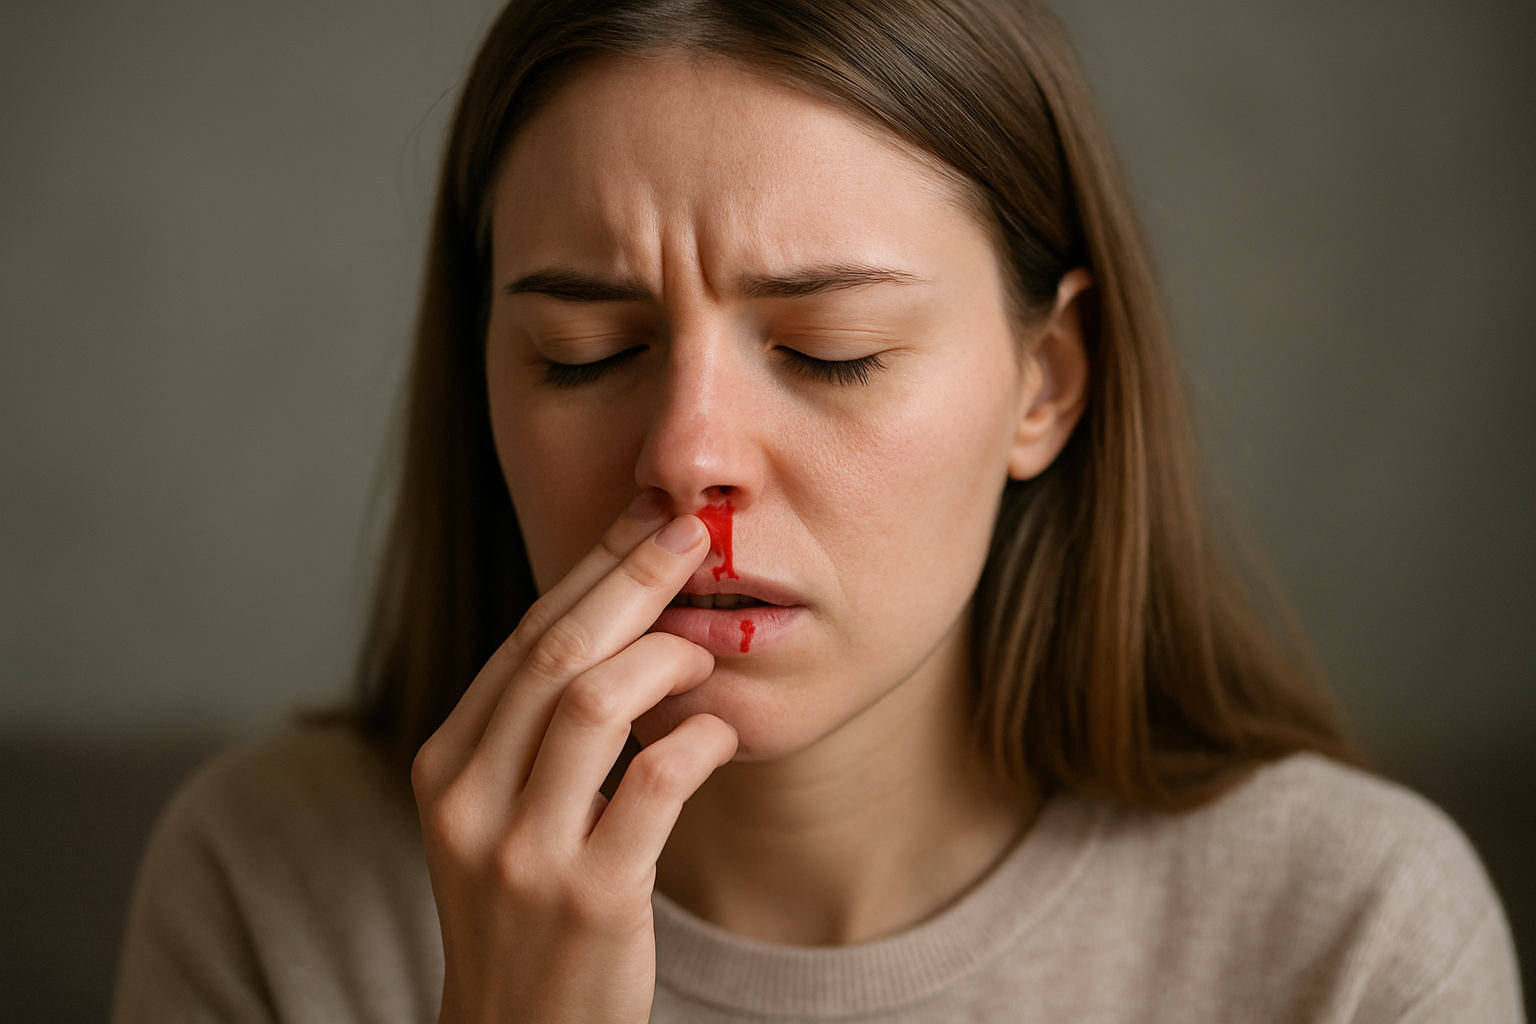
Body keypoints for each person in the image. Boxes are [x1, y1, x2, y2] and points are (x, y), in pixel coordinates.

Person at [112, 0, 1524, 1021]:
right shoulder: (267, 891)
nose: (688, 458)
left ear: (1045, 383)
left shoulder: (1353, 935)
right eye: (585, 356)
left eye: (830, 348)